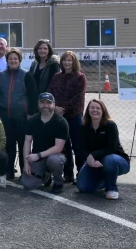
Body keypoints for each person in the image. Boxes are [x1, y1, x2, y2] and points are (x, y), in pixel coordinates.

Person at [0, 48, 38, 180]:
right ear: (7, 60)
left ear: (20, 60)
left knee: (24, 145)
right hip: (5, 117)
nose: (13, 61)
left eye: (15, 59)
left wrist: (30, 114)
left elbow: (33, 96)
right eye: (10, 59)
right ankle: (9, 171)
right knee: (9, 145)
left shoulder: (26, 75)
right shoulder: (1, 75)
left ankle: (25, 171)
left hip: (22, 118)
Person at [77, 99, 130, 200]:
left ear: (103, 111)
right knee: (83, 187)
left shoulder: (110, 125)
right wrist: (88, 158)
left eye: (98, 108)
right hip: (95, 161)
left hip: (116, 160)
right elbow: (80, 148)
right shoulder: (84, 127)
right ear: (88, 110)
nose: (95, 110)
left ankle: (112, 189)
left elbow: (112, 148)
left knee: (109, 160)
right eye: (92, 108)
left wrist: (93, 155)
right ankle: (104, 180)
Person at [48, 51, 87, 183]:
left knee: (78, 146)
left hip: (74, 116)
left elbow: (78, 97)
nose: (67, 63)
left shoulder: (80, 77)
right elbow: (50, 93)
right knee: (64, 146)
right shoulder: (56, 77)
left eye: (69, 60)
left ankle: (82, 173)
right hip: (59, 117)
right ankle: (68, 173)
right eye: (64, 60)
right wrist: (55, 107)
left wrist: (62, 108)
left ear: (74, 62)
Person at [20, 92, 69, 194]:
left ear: (54, 105)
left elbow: (58, 148)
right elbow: (27, 141)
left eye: (48, 103)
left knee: (54, 160)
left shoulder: (61, 122)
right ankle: (45, 176)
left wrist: (38, 155)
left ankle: (58, 183)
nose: (45, 105)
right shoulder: (32, 120)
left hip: (56, 155)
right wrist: (26, 163)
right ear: (38, 104)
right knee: (27, 184)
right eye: (42, 103)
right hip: (38, 157)